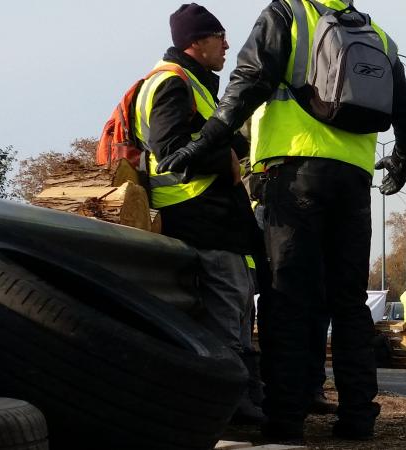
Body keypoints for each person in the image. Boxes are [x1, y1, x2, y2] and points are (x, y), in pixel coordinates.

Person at [157, 0, 406, 439]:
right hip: (353, 179)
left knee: (288, 299)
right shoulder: (376, 34)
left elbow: (247, 82)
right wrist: (401, 161)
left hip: (292, 175)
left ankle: (285, 421)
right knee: (349, 302)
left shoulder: (287, 13)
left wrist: (201, 143)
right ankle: (358, 417)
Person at [136, 3, 263, 424]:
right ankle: (230, 410)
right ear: (195, 42)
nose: (227, 44)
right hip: (198, 215)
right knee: (227, 314)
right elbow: (170, 152)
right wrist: (223, 160)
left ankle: (244, 402)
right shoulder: (172, 83)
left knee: (237, 308)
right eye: (218, 37)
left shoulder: (195, 83)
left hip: (216, 217)